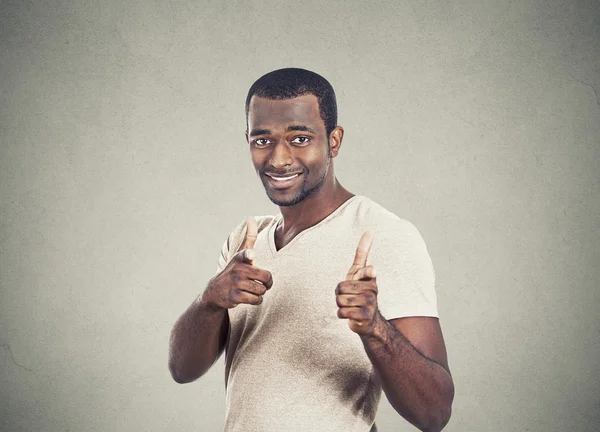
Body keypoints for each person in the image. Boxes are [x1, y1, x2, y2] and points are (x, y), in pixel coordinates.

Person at [168, 68, 455, 432]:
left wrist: (374, 328)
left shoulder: (384, 234)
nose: (279, 159)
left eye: (300, 138)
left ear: (334, 141)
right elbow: (182, 370)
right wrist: (210, 300)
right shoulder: (246, 239)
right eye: (262, 141)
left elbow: (434, 413)